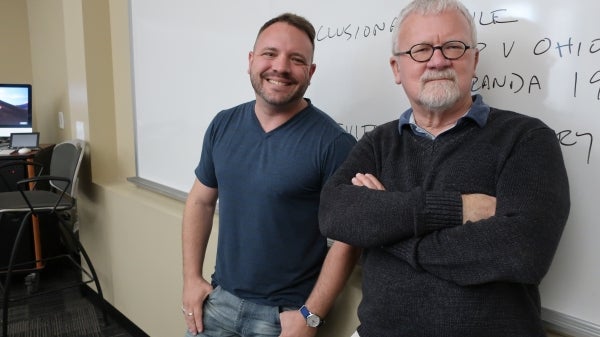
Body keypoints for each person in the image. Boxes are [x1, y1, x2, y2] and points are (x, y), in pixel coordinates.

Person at [318, 0, 571, 336]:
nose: (438, 60)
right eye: (421, 49)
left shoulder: (527, 138)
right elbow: (334, 213)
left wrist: (386, 231)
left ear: (474, 59)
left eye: (453, 47)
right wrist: (456, 208)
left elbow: (522, 252)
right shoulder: (377, 142)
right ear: (397, 69)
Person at [181, 13, 360, 337]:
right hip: (217, 303)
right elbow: (201, 202)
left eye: (296, 59)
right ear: (251, 60)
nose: (280, 67)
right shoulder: (223, 124)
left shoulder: (334, 144)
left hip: (282, 319)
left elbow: (348, 240)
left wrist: (311, 315)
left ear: (310, 72)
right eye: (269, 53)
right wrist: (191, 279)